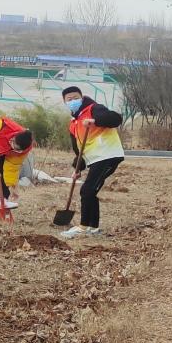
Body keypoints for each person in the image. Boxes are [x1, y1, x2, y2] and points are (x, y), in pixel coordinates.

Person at [60, 86, 124, 238]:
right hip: (95, 159)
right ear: (64, 102)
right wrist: (77, 168)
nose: (73, 101)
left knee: (87, 191)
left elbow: (116, 119)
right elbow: (79, 150)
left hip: (107, 155)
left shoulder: (94, 108)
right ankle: (93, 228)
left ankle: (83, 227)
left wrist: (95, 120)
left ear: (81, 97)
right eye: (69, 99)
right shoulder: (73, 123)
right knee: (90, 192)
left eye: (76, 98)